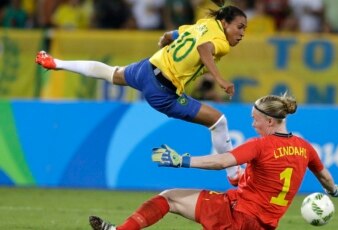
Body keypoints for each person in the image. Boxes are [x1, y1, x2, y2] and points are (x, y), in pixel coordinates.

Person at [35, 0, 247, 184]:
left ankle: (56, 62)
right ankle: (233, 173)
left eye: (245, 29)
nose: (242, 34)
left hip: (146, 69)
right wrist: (220, 79)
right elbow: (203, 49)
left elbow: (182, 33)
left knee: (112, 73)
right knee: (218, 121)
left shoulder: (206, 24)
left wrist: (167, 36)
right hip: (163, 91)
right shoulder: (221, 43)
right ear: (225, 23)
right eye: (239, 27)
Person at [88, 93, 338, 230]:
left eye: (255, 118)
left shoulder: (261, 145)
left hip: (237, 215)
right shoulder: (305, 148)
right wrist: (333, 191)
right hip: (262, 226)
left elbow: (222, 160)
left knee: (168, 198)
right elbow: (325, 177)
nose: (252, 122)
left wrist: (183, 161)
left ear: (270, 121)